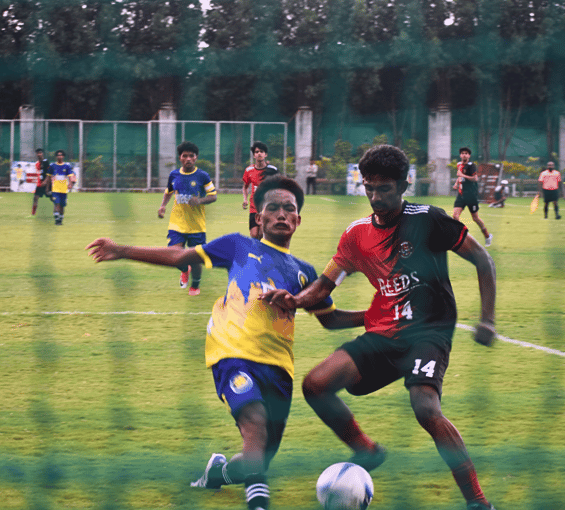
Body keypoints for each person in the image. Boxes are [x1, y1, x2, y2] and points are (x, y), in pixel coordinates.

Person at [87, 176, 364, 510]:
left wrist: (379, 314)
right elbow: (182, 257)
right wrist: (122, 250)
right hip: (231, 352)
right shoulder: (238, 246)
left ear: (297, 220)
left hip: (279, 368)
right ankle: (258, 504)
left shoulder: (304, 272)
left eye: (288, 209)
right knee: (255, 424)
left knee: (258, 455)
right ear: (258, 218)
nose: (280, 214)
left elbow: (330, 319)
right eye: (272, 208)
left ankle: (217, 473)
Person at [260, 145, 498, 510]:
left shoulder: (428, 220)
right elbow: (323, 286)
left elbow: (482, 258)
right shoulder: (356, 235)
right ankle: (367, 451)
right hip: (384, 332)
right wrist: (295, 300)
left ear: (404, 185)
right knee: (316, 385)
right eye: (368, 187)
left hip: (428, 333)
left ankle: (478, 502)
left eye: (384, 188)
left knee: (425, 409)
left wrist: (487, 319)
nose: (375, 196)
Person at [157, 141, 217, 296]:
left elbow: (213, 196)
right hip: (177, 222)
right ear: (180, 158)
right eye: (185, 156)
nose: (188, 158)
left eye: (191, 156)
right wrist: (163, 206)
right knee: (175, 256)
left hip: (196, 225)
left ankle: (195, 285)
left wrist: (200, 201)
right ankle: (184, 270)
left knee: (196, 259)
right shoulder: (174, 175)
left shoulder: (202, 176)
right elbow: (169, 191)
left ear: (196, 158)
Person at [452, 147, 492, 247]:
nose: (464, 155)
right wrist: (456, 183)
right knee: (455, 216)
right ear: (460, 155)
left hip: (471, 195)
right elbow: (459, 176)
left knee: (475, 218)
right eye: (462, 153)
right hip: (461, 195)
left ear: (469, 155)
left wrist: (462, 175)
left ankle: (487, 236)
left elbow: (474, 178)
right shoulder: (459, 164)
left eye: (466, 153)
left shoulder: (471, 166)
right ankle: (462, 237)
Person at [242, 141, 279, 239]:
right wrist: (245, 199)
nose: (259, 153)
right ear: (254, 155)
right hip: (254, 206)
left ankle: (262, 253)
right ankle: (256, 253)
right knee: (254, 235)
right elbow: (245, 186)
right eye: (256, 151)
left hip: (267, 206)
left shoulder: (272, 170)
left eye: (261, 151)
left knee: (262, 234)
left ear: (265, 154)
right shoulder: (249, 170)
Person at [46, 150, 75, 226]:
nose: (60, 156)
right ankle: (56, 220)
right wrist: (47, 188)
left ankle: (60, 219)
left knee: (62, 205)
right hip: (55, 189)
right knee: (56, 204)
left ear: (63, 156)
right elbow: (48, 177)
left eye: (61, 155)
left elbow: (70, 176)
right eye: (58, 155)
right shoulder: (52, 166)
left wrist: (70, 184)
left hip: (64, 190)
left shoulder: (67, 166)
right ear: (56, 156)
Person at [31, 148, 51, 215]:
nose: (39, 154)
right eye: (38, 153)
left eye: (40, 153)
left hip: (47, 183)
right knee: (35, 198)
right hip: (40, 184)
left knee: (52, 198)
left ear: (42, 154)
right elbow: (39, 174)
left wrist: (46, 183)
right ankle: (33, 213)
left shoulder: (46, 161)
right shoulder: (37, 163)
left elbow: (49, 173)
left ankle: (58, 211)